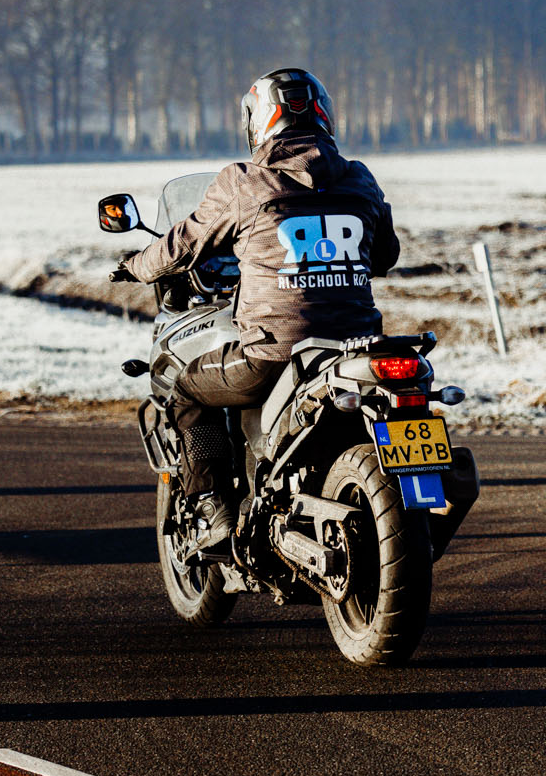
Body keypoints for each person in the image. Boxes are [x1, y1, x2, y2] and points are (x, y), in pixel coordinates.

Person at [116, 68, 400, 549]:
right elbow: (385, 254)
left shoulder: (245, 183)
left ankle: (213, 510)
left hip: (274, 352)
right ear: (324, 115)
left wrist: (135, 266)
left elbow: (181, 245)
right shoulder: (360, 178)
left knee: (185, 389)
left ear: (259, 121)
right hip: (357, 349)